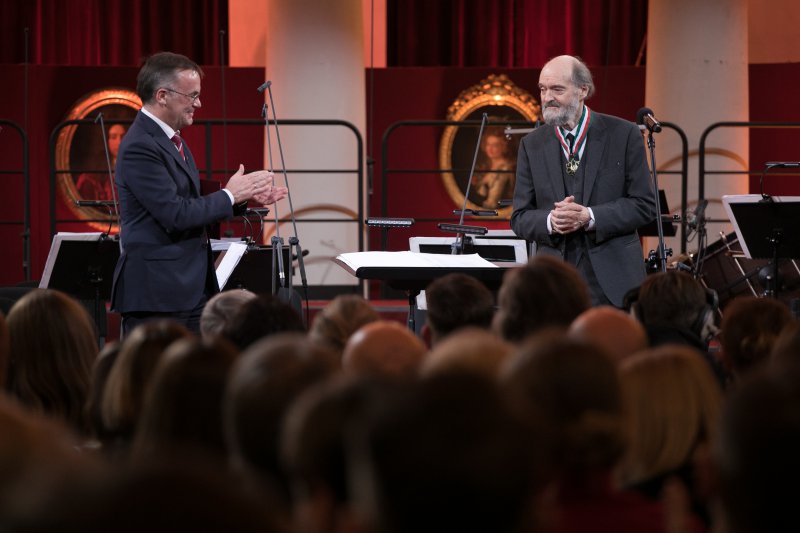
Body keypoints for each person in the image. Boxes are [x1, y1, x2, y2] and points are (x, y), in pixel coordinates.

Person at [111, 51, 287, 336]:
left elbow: (191, 203)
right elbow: (175, 214)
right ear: (162, 95)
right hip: (159, 295)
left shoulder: (172, 139)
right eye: (192, 95)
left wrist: (242, 195)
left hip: (187, 288)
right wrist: (229, 195)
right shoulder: (140, 146)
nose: (198, 103)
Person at [511, 55, 655, 307]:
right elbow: (520, 217)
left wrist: (590, 216)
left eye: (557, 89)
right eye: (543, 89)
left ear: (583, 90)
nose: (547, 97)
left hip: (614, 282)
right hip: (552, 284)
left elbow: (644, 205)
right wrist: (551, 221)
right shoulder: (531, 144)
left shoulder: (624, 135)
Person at [75, 123, 127, 200]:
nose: (119, 142)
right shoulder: (93, 173)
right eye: (113, 137)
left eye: (123, 137)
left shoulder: (137, 165)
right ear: (107, 141)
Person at [471, 128, 515, 208]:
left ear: (504, 147)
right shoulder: (485, 165)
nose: (490, 149)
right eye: (488, 144)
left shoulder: (505, 169)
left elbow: (492, 202)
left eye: (495, 145)